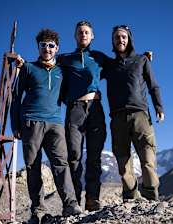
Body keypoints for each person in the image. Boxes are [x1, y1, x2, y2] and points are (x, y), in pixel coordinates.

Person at [11, 28, 81, 224]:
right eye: (44, 45)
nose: (47, 49)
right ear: (38, 47)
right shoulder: (28, 68)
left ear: (57, 48)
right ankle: (38, 211)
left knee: (61, 163)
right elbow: (15, 97)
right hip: (31, 122)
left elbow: (70, 93)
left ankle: (70, 204)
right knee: (33, 167)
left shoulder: (62, 71)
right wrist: (15, 125)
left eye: (51, 46)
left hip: (55, 123)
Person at [103, 25, 165, 201]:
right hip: (117, 117)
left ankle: (151, 194)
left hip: (140, 115)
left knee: (148, 158)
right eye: (116, 37)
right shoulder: (108, 65)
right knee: (123, 161)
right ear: (113, 42)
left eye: (123, 37)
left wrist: (159, 108)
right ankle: (130, 196)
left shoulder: (141, 60)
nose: (120, 40)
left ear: (129, 39)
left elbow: (153, 86)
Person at [58, 21, 108, 211]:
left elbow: (122, 63)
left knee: (94, 156)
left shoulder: (99, 57)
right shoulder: (66, 59)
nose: (83, 35)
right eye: (80, 32)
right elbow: (46, 66)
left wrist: (141, 58)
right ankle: (74, 201)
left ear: (92, 36)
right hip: (75, 110)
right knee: (74, 156)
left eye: (87, 32)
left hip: (95, 108)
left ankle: (92, 198)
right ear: (75, 36)